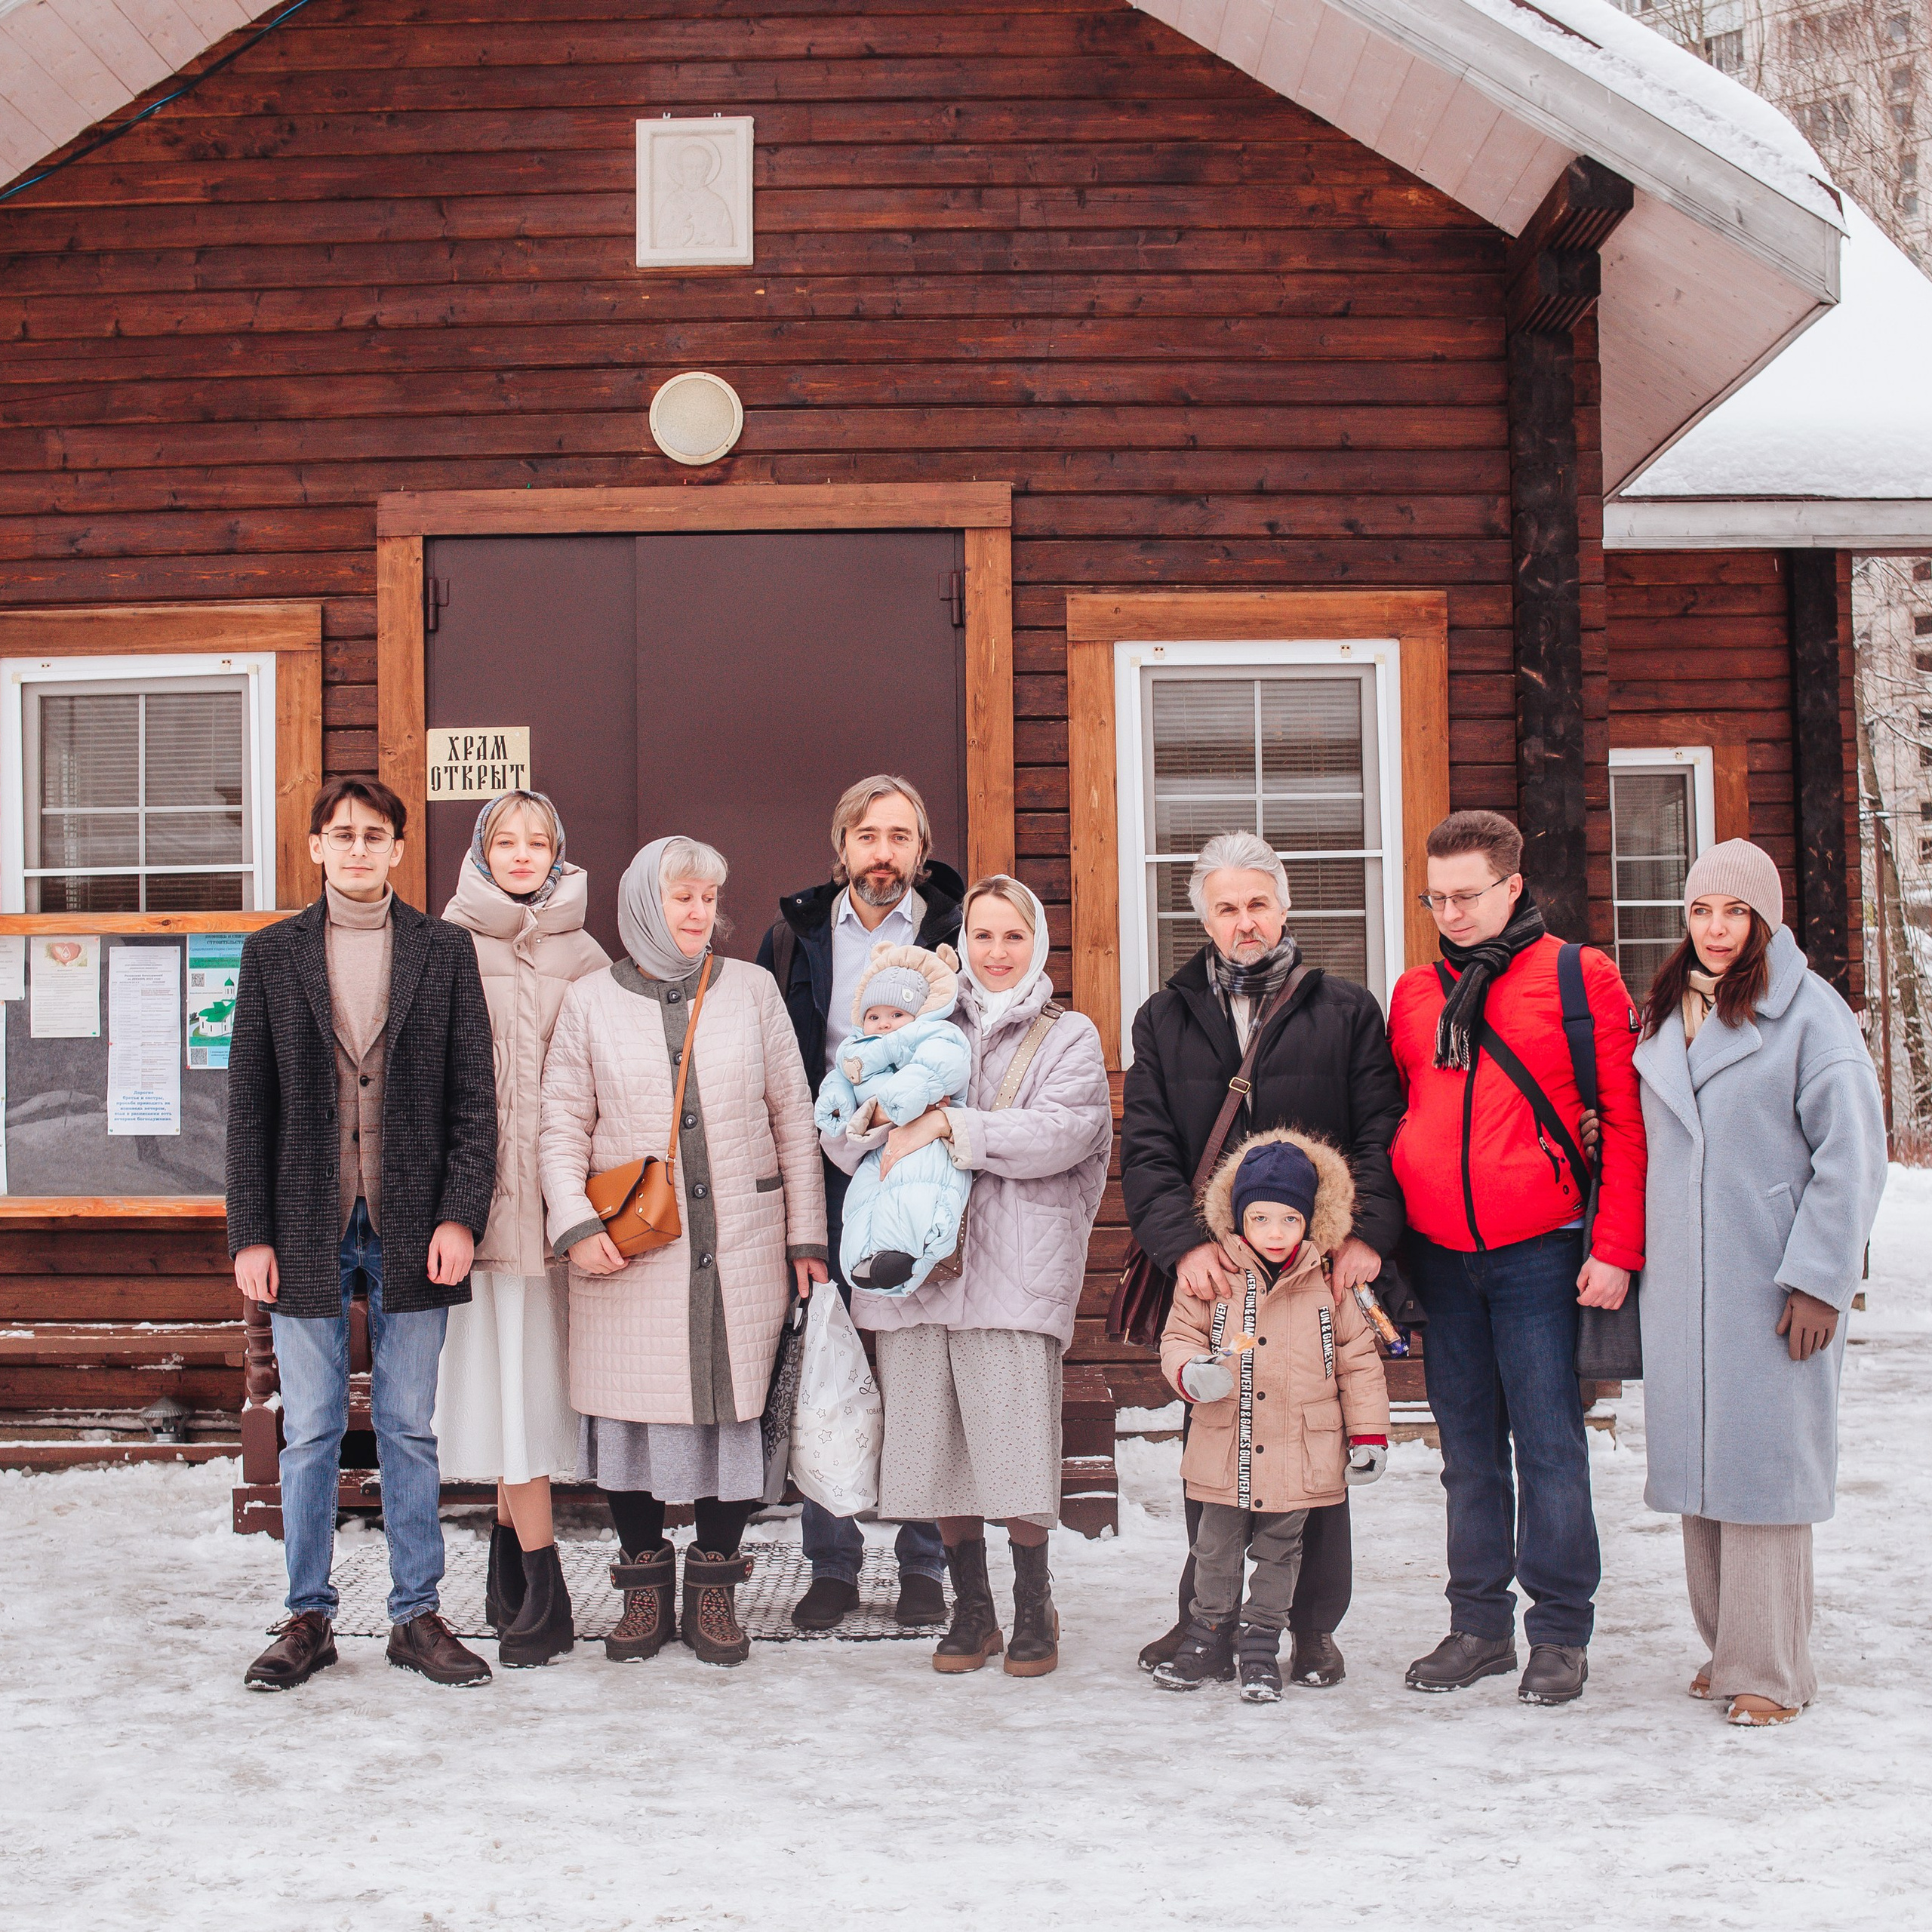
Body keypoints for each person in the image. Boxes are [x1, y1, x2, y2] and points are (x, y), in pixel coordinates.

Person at [1119, 828, 1407, 1689]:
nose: (1243, 922)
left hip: (1315, 1269)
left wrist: (1364, 1237)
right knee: (1215, 1447)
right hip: (1220, 1276)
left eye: (1256, 903)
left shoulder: (1344, 1008)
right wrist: (1182, 1245)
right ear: (1201, 918)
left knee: (1313, 1449)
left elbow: (1380, 1133)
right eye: (1224, 907)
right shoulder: (1165, 1017)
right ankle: (1201, 1622)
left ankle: (1312, 1630)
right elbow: (1149, 1149)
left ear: (1283, 906)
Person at [228, 776, 498, 1691]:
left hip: (414, 1223)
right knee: (307, 1431)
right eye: (340, 834)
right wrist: (249, 1233)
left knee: (407, 1427)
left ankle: (416, 1617)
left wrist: (462, 1214)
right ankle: (308, 1616)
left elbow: (474, 1101)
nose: (356, 848)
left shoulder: (443, 950)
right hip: (302, 1223)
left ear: (396, 848)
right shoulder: (271, 955)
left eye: (373, 835)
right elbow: (247, 1110)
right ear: (315, 847)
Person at [540, 836, 828, 1668]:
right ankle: (640, 1601)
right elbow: (561, 1124)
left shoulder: (753, 991)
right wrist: (577, 1225)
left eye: (707, 897)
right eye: (682, 897)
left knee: (729, 1413)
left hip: (741, 1240)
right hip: (631, 1254)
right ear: (643, 904)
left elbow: (793, 1118)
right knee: (632, 1416)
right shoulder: (590, 1000)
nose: (700, 912)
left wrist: (805, 1236)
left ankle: (713, 1596)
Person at [1388, 810, 1647, 1706]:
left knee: (1547, 1445)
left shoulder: (1579, 977)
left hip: (1542, 1252)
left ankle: (1560, 1632)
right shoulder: (1415, 994)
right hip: (1441, 1257)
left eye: (1465, 896)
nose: (1449, 913)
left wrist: (1613, 1246)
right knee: (1464, 1451)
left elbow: (1624, 1121)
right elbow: (1404, 1115)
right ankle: (1478, 1626)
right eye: (1435, 897)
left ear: (1511, 886)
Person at [825, 875, 1112, 1676]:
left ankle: (1031, 1605)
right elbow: (853, 1129)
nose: (995, 952)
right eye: (981, 936)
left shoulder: (1068, 1035)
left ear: (1036, 943)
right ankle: (972, 1608)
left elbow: (1064, 1131)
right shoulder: (917, 1025)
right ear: (961, 945)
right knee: (935, 1448)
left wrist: (951, 1124)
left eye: (1011, 936)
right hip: (917, 1269)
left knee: (1013, 1451)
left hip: (1013, 1268)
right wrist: (870, 1118)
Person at [1632, 840, 1885, 1726]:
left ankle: (1771, 1670)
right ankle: (1725, 1648)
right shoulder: (1669, 1010)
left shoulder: (1813, 1016)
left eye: (1734, 912)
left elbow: (1852, 1160)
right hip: (1684, 1289)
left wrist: (1819, 1280)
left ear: (1764, 920)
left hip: (1771, 1285)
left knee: (1765, 1479)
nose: (1715, 928)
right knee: (1704, 1474)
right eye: (1701, 910)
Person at [756, 776, 957, 1630]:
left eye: (900, 837)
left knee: (915, 1360)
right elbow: (778, 1065)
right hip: (831, 1164)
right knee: (828, 1360)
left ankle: (922, 1562)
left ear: (921, 847)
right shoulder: (795, 938)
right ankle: (832, 1563)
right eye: (868, 836)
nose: (884, 853)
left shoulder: (951, 929)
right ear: (841, 845)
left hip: (921, 1162)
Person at [434, 790, 610, 1667]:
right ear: (481, 851)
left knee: (529, 1395)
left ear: (558, 853)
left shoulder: (584, 954)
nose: (521, 853)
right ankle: (542, 1585)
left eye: (538, 840)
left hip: (555, 1214)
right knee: (505, 1394)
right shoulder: (443, 943)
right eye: (505, 840)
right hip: (477, 1212)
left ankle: (513, 1573)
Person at [1154, 1132, 1389, 1700]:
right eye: (1261, 1219)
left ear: (1310, 1219)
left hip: (1299, 1451)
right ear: (1239, 1220)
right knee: (1214, 1549)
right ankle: (1209, 1634)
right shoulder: (1214, 1280)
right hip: (1226, 1444)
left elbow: (1359, 1364)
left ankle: (1262, 1643)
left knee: (1281, 1553)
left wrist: (1369, 1435)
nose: (1276, 1233)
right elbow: (1178, 1339)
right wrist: (1190, 1372)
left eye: (1290, 1219)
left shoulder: (1330, 1286)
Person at [814, 941, 973, 1293]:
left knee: (923, 1191)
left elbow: (941, 1066)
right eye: (875, 1016)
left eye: (897, 1015)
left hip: (929, 1140)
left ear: (918, 1015)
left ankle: (911, 1254)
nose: (885, 1024)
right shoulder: (855, 1050)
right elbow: (839, 1080)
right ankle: (864, 1260)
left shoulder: (935, 1034)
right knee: (865, 1196)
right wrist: (835, 1106)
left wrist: (902, 1097)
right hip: (878, 1145)